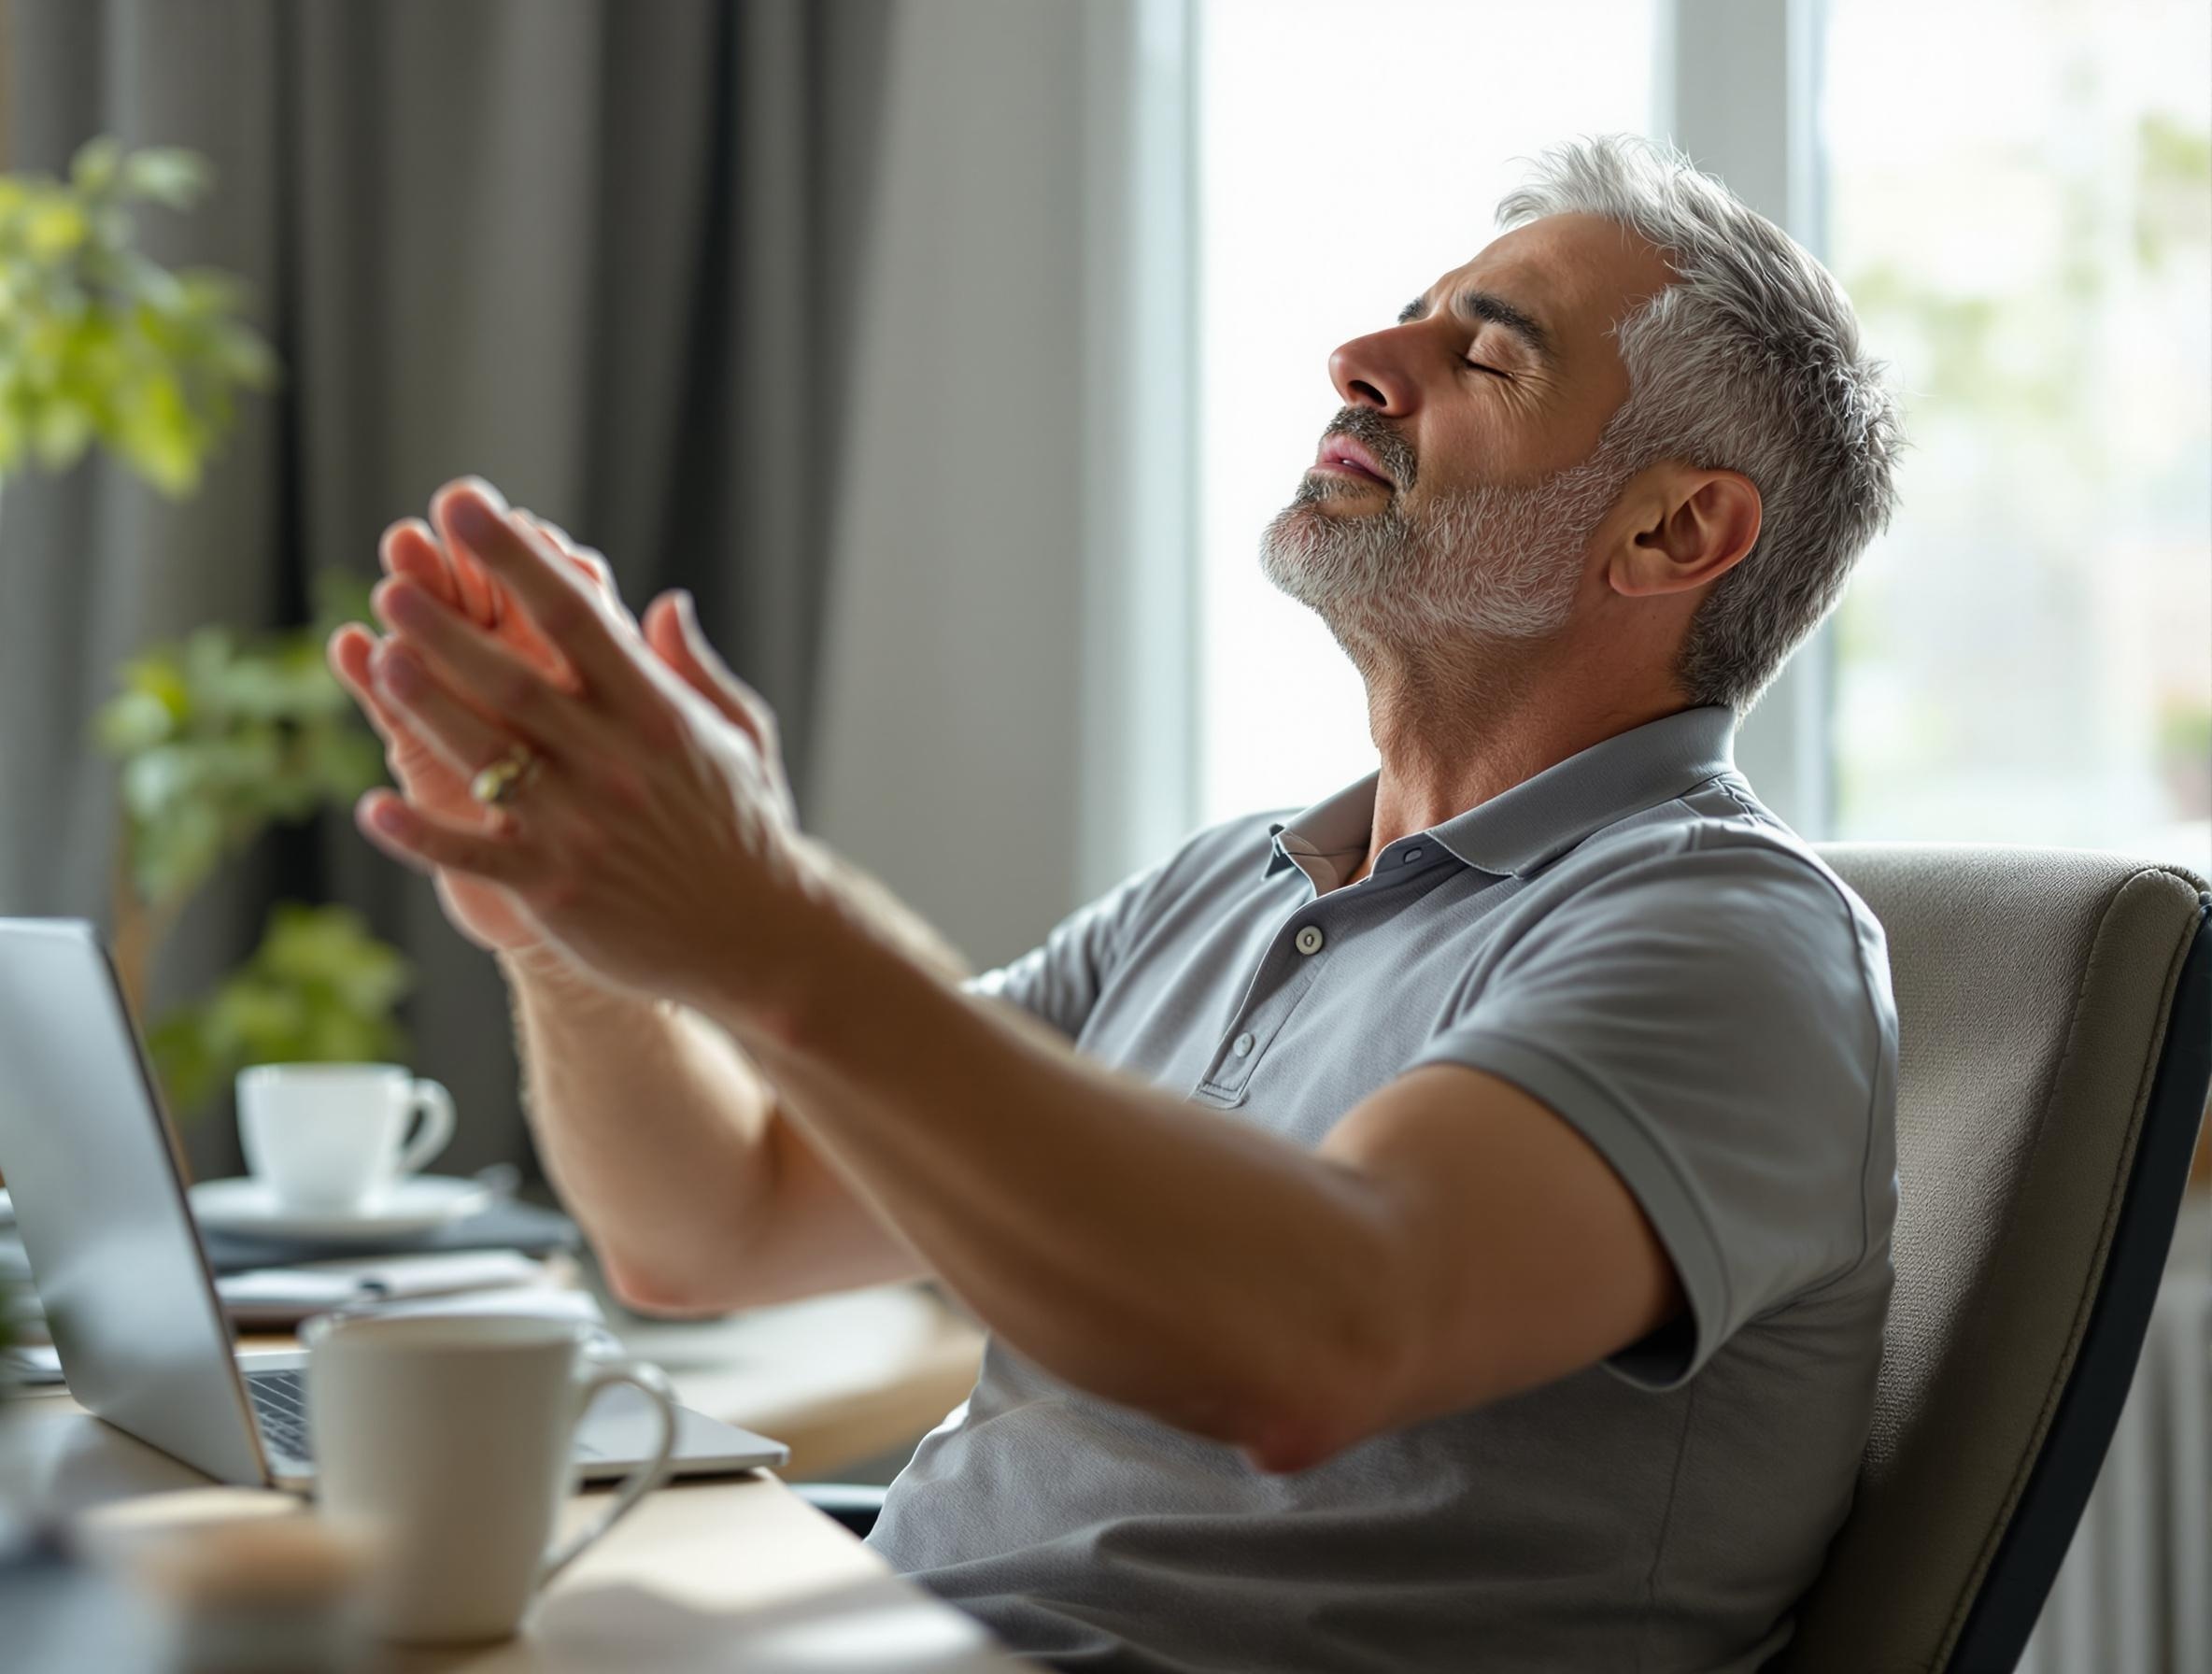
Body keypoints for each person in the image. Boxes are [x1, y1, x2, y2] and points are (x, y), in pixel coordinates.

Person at [328, 134, 1903, 1671]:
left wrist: (757, 916)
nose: (1363, 356)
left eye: (1487, 358)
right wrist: (570, 931)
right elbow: (713, 1225)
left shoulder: (1729, 936)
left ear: (1673, 532)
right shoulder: (1230, 888)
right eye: (1409, 314)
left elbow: (1307, 1341)